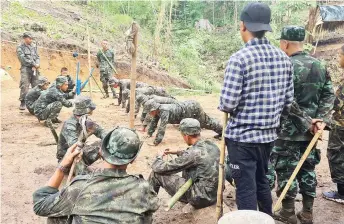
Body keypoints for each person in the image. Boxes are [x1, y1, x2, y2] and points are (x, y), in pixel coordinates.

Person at [218, 2, 294, 216]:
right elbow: (288, 103)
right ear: (266, 27)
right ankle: (267, 218)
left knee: (245, 188)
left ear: (243, 25)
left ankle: (248, 220)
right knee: (262, 181)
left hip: (242, 140)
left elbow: (227, 104)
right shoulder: (284, 59)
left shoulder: (239, 59)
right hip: (269, 137)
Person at [271, 26, 335, 224]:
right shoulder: (319, 65)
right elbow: (328, 94)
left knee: (285, 169)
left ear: (285, 43)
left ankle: (288, 212)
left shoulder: (284, 66)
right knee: (308, 169)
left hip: (287, 131)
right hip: (312, 132)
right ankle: (307, 212)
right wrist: (320, 120)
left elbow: (285, 100)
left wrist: (307, 122)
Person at [33, 127, 159, 223]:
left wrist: (63, 166)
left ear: (101, 151)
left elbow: (40, 205)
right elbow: (152, 207)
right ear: (132, 159)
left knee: (56, 216)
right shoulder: (144, 188)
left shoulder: (80, 187)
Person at [149, 118, 219, 211]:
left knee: (156, 174)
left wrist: (158, 157)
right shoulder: (211, 145)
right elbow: (195, 155)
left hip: (200, 197)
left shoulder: (193, 153)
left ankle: (145, 206)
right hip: (214, 194)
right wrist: (177, 152)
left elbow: (159, 168)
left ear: (186, 136)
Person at [146, 100, 222, 145]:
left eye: (150, 112)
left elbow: (162, 128)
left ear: (154, 109)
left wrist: (156, 142)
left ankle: (223, 131)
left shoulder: (164, 110)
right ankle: (221, 130)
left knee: (205, 123)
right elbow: (154, 122)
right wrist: (149, 133)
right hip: (187, 109)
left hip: (192, 108)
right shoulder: (158, 111)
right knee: (206, 122)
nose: (149, 114)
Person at [56, 95, 107, 164]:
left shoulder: (85, 120)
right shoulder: (69, 125)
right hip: (67, 159)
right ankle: (83, 173)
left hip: (80, 152)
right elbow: (74, 148)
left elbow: (100, 131)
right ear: (87, 109)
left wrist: (109, 138)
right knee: (78, 152)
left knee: (105, 143)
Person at [323, 44, 344, 205]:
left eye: (340, 55)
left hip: (341, 126)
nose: (338, 58)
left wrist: (326, 121)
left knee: (337, 154)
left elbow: (337, 105)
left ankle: (341, 193)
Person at [17, 32, 40, 110]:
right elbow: (22, 59)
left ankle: (35, 101)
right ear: (25, 38)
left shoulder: (34, 47)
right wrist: (33, 64)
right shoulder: (20, 47)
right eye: (30, 38)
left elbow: (37, 57)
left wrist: (37, 64)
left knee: (36, 85)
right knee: (24, 85)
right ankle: (23, 102)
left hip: (35, 69)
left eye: (31, 38)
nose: (31, 40)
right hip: (26, 69)